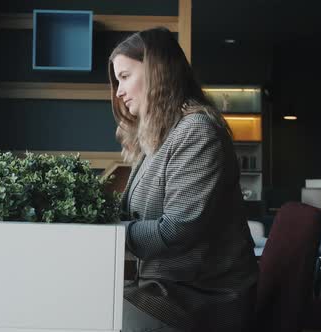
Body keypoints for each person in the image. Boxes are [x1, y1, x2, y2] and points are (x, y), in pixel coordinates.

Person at [108, 27, 258, 332]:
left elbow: (176, 232)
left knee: (91, 316)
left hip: (203, 299)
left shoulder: (197, 132)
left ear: (155, 72)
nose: (118, 92)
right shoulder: (159, 137)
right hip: (167, 288)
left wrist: (108, 233)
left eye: (124, 77)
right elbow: (129, 215)